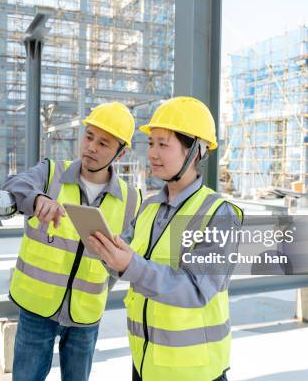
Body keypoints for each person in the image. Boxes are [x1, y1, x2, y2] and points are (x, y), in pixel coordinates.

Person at [87, 96, 243, 381]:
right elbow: (128, 264)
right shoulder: (149, 208)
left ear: (195, 151)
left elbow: (196, 290)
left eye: (163, 144)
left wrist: (130, 264)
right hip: (145, 364)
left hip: (194, 373)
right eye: (151, 143)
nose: (153, 154)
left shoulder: (219, 214)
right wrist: (107, 252)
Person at [2, 101, 141, 381]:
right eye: (89, 137)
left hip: (85, 316)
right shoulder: (51, 173)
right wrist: (38, 199)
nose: (91, 147)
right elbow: (13, 185)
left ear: (120, 152)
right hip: (37, 308)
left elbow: (124, 262)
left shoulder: (131, 200)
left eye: (103, 143)